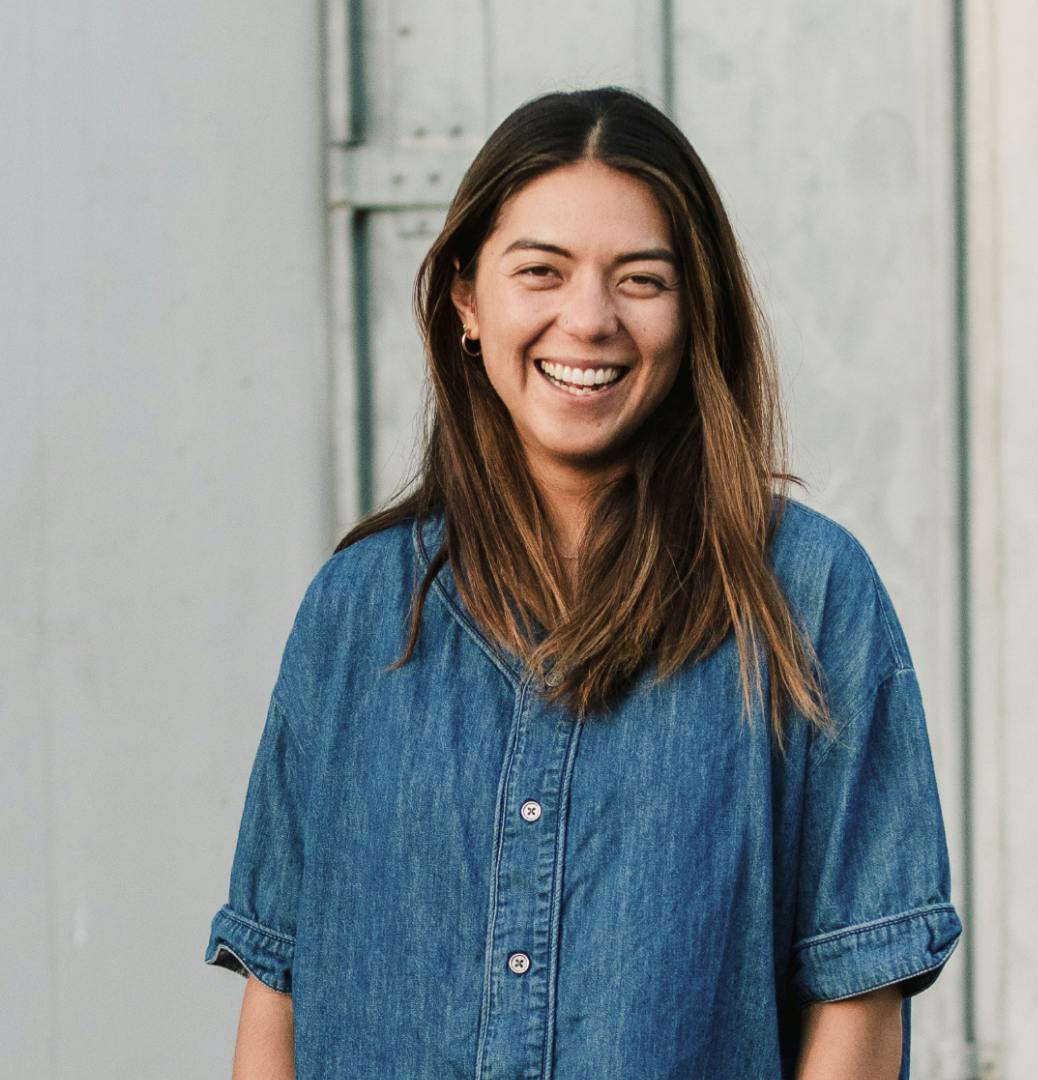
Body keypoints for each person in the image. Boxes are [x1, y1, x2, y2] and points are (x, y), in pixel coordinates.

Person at [204, 85, 962, 1079]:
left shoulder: (810, 598)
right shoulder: (355, 613)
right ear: (467, 301)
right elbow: (280, 989)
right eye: (542, 272)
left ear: (695, 312)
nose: (589, 318)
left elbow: (859, 1000)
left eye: (641, 279)